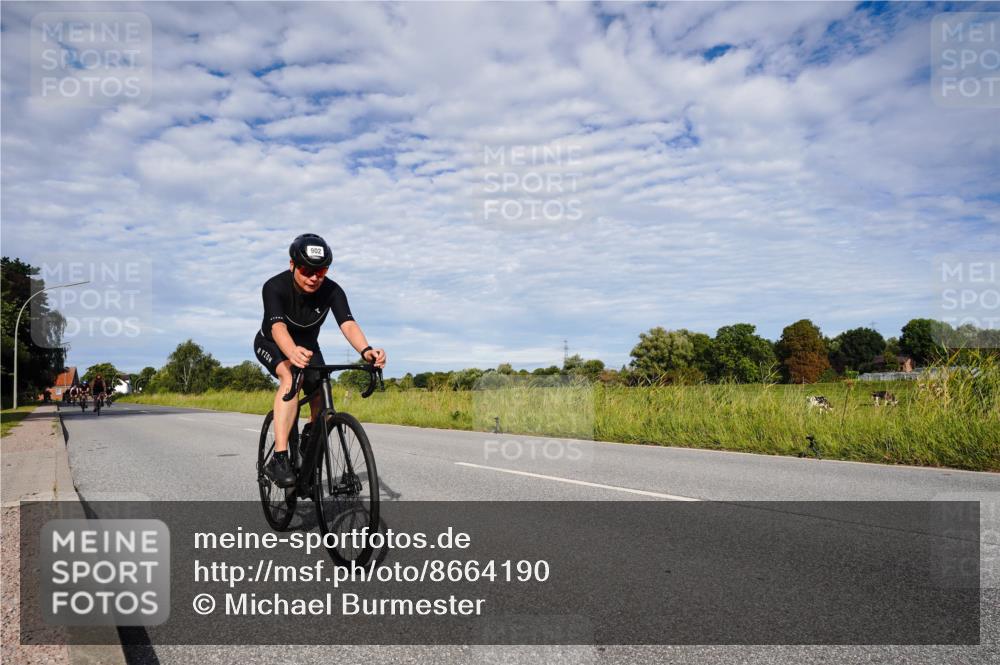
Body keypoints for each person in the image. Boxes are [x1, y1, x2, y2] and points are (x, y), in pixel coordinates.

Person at [253, 233, 386, 487]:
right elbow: (278, 328)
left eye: (321, 271)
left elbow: (347, 323)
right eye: (306, 270)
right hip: (272, 343)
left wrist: (366, 350)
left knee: (322, 394)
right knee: (290, 377)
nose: (314, 277)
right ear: (293, 265)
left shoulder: (332, 290)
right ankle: (279, 458)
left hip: (309, 348)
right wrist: (291, 351)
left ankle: (308, 442)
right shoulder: (274, 286)